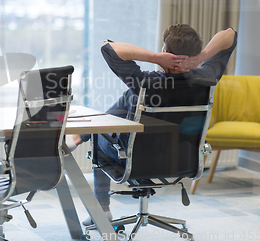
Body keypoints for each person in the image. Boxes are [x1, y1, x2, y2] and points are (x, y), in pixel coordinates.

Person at [66, 24, 237, 226]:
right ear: (195, 54)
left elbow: (108, 47)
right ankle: (79, 137)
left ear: (165, 52)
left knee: (100, 137)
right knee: (132, 96)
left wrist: (154, 57)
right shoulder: (207, 77)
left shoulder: (146, 82)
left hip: (137, 160)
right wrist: (203, 56)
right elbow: (230, 33)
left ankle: (102, 209)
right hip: (182, 160)